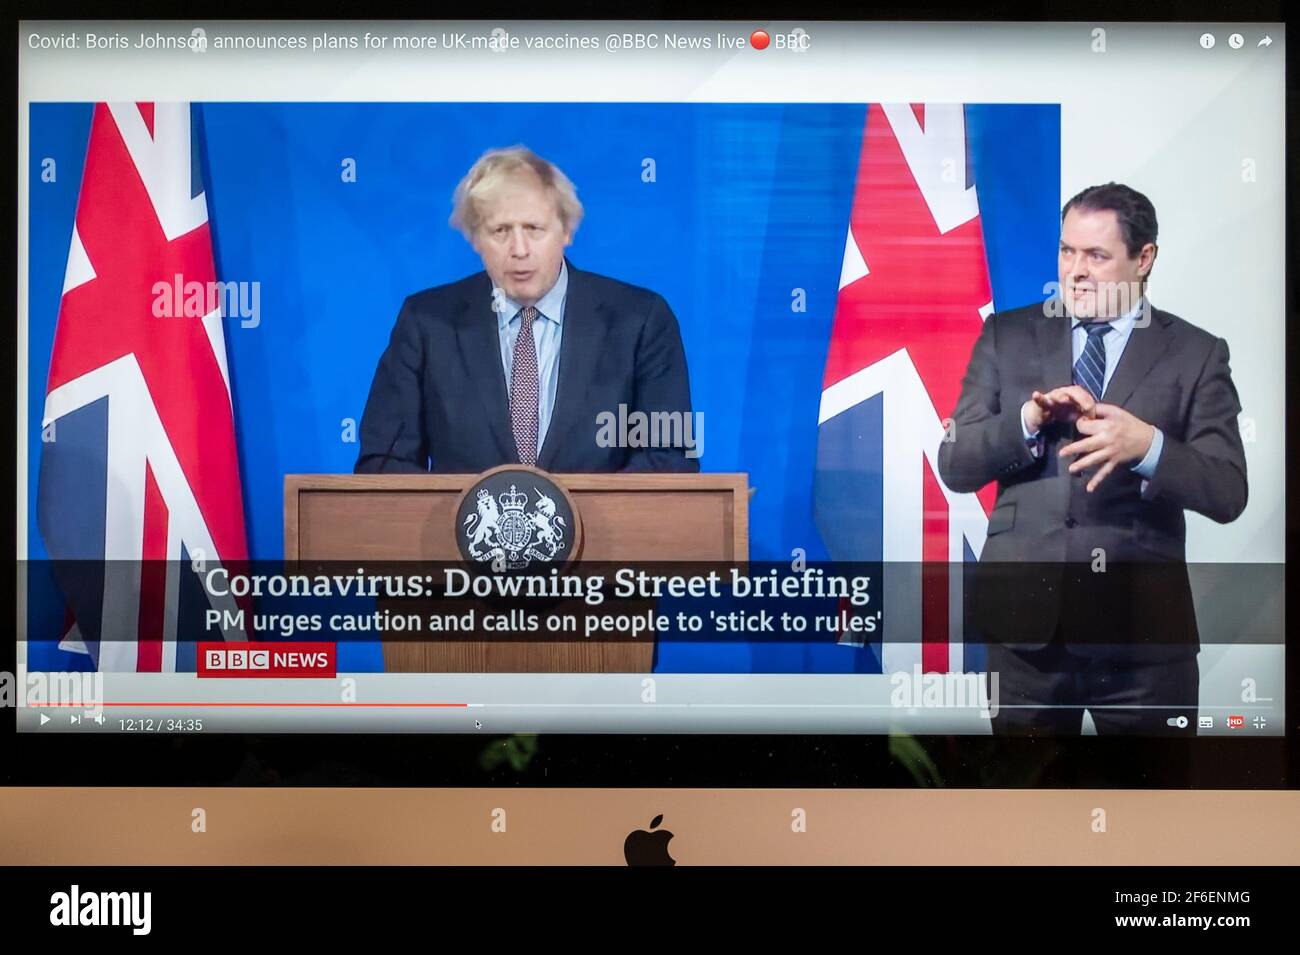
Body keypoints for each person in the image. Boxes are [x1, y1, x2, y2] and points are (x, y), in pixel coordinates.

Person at [938, 182, 1248, 736]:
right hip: (1024, 634)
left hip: (1144, 641)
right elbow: (956, 465)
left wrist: (1148, 447)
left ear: (1144, 257)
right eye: (1067, 251)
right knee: (1025, 812)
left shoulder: (1197, 353)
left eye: (1097, 255)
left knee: (1151, 813)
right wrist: (1027, 423)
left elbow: (1227, 491)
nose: (1075, 270)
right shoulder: (1006, 336)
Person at [356, 146, 699, 474]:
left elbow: (670, 459)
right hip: (459, 534)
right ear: (475, 238)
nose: (519, 249)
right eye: (500, 230)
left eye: (534, 229)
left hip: (603, 535)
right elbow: (384, 465)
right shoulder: (427, 323)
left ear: (566, 231)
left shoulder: (640, 321)